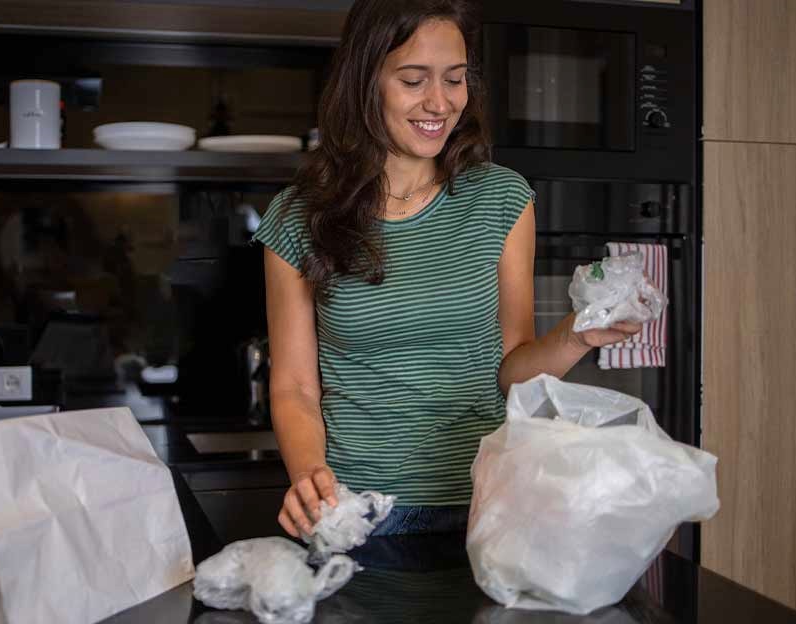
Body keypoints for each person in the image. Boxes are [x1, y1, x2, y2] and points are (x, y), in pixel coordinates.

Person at [251, 0, 642, 538]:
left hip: (485, 503)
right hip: (354, 509)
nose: (440, 102)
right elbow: (295, 386)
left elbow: (511, 371)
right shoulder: (299, 215)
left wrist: (577, 337)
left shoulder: (501, 199)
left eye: (455, 80)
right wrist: (310, 479)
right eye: (413, 80)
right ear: (366, 82)